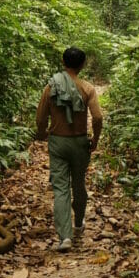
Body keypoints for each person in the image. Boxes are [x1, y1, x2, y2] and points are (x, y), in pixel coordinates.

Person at [35, 47, 103, 251]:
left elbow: (40, 118)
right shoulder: (87, 88)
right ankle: (79, 223)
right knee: (79, 184)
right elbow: (98, 117)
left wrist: (42, 133)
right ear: (82, 64)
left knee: (61, 189)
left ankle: (65, 237)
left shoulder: (51, 87)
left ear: (63, 62)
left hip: (58, 142)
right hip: (80, 142)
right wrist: (95, 139)